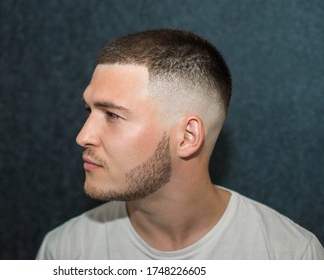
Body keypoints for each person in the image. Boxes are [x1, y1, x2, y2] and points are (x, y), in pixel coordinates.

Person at [36, 28, 324, 259]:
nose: (83, 136)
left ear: (187, 137)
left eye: (112, 115)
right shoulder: (67, 252)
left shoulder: (290, 255)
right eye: (89, 111)